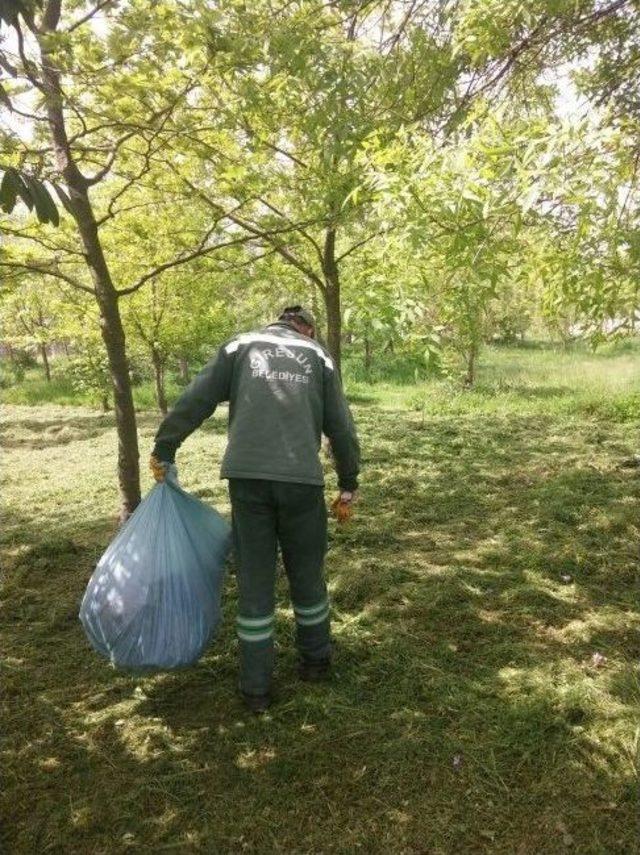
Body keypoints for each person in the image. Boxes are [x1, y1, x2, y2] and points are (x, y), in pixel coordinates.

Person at [150, 305, 360, 712]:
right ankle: (316, 662)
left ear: (275, 322)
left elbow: (197, 398)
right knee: (306, 573)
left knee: (255, 580)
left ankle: (256, 689)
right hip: (302, 482)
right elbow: (341, 424)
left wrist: (165, 446)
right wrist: (349, 481)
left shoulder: (240, 346)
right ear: (309, 329)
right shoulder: (318, 356)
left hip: (248, 481)